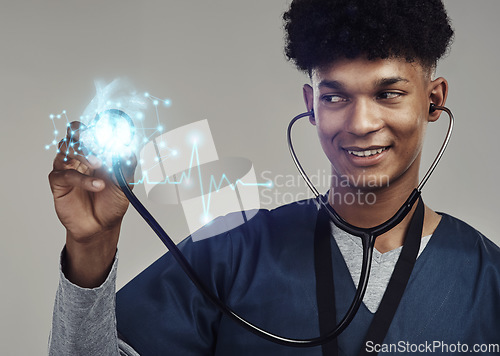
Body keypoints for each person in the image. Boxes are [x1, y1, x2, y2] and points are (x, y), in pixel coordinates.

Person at [48, 0, 500, 355]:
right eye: (335, 96)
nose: (361, 122)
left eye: (389, 93)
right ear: (311, 105)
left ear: (433, 100)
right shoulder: (229, 253)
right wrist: (91, 247)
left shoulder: (490, 279)